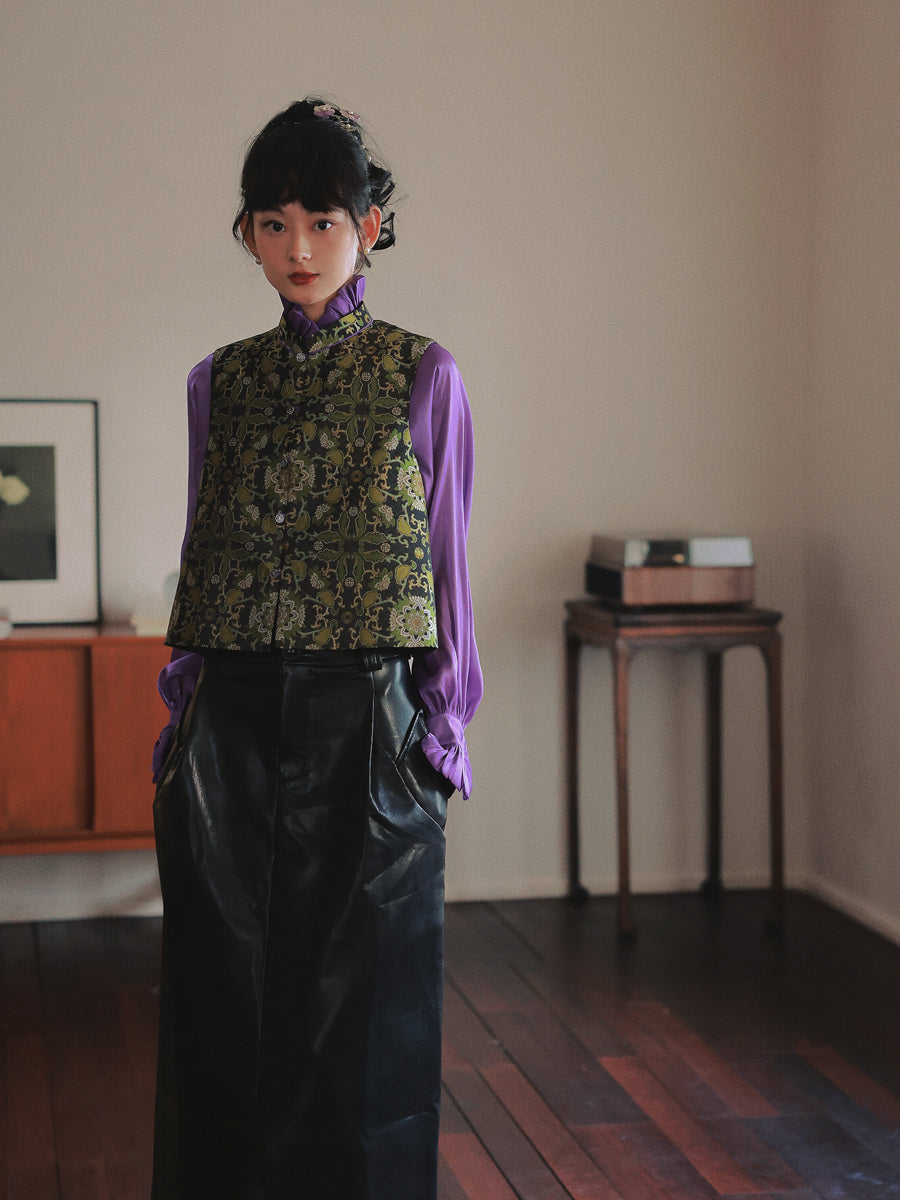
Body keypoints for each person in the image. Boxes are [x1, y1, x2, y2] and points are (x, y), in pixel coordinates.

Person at [151, 97, 481, 1200]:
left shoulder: (425, 373)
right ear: (248, 232)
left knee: (367, 1019)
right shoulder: (217, 380)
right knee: (223, 1014)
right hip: (229, 729)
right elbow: (201, 543)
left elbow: (447, 562)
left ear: (368, 226)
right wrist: (181, 710)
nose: (298, 247)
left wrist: (444, 723)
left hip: (370, 721)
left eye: (323, 221)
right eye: (274, 222)